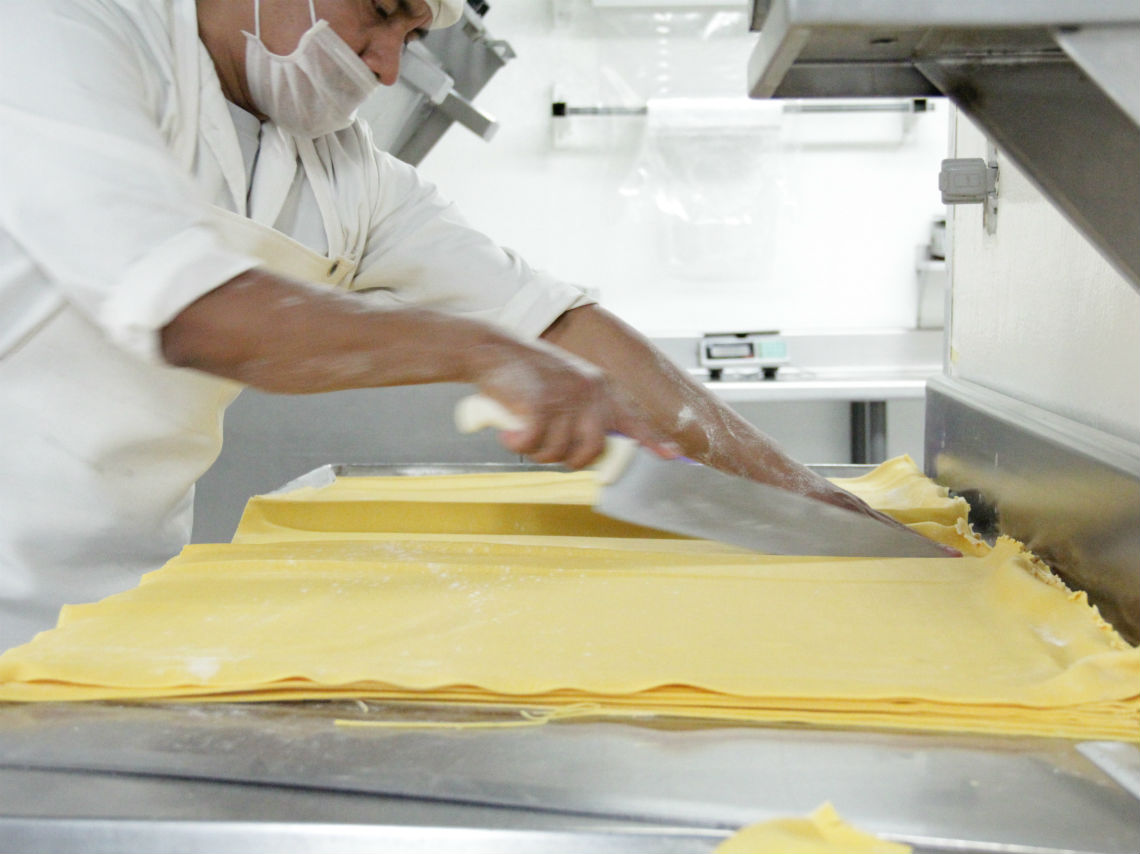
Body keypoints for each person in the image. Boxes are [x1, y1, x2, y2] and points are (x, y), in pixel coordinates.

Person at [0, 0, 926, 651]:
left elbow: (556, 322)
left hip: (122, 611)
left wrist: (804, 496)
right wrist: (487, 355)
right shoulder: (59, 34)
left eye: (411, 36)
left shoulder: (341, 169)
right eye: (382, 11)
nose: (387, 66)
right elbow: (199, 312)